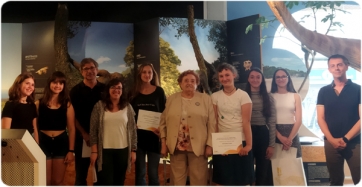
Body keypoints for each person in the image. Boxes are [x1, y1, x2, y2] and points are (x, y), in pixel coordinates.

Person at [159, 70, 215, 186]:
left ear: (197, 83)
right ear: (180, 83)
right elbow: (163, 123)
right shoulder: (171, 99)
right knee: (177, 181)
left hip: (199, 148)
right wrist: (164, 144)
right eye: (186, 80)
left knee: (199, 180)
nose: (189, 83)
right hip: (176, 147)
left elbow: (212, 124)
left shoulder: (206, 99)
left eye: (192, 81)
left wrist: (210, 145)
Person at [316, 54, 360, 185]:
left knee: (359, 178)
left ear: (347, 66)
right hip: (331, 143)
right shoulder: (323, 91)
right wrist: (331, 140)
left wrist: (346, 138)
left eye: (340, 65)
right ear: (329, 69)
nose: (337, 68)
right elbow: (320, 118)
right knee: (335, 180)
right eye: (333, 66)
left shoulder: (358, 90)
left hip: (355, 142)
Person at [211, 63, 254, 185]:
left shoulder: (243, 95)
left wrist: (249, 145)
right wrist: (217, 145)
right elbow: (215, 122)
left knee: (242, 180)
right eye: (221, 76)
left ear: (234, 75)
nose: (224, 78)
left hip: (241, 142)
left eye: (227, 75)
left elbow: (246, 122)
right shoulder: (214, 97)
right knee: (222, 180)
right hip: (222, 143)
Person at [89, 78, 137, 185]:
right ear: (108, 90)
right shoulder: (99, 106)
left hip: (123, 151)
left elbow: (133, 130)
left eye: (119, 88)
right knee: (106, 182)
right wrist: (94, 151)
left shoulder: (127, 107)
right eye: (113, 87)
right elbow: (93, 130)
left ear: (122, 90)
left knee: (119, 182)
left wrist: (133, 150)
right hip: (104, 151)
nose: (116, 90)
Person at [128, 63, 166, 185]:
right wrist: (132, 124)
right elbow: (128, 113)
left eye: (149, 72)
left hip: (154, 137)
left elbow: (165, 112)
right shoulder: (133, 92)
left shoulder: (159, 91)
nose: (147, 74)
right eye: (144, 72)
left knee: (153, 174)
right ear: (140, 74)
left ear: (153, 74)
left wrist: (161, 128)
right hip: (137, 138)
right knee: (140, 173)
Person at [35, 71, 76, 185]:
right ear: (49, 84)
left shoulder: (67, 104)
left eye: (61, 83)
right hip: (43, 142)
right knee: (45, 180)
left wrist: (71, 151)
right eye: (55, 82)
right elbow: (33, 127)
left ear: (64, 86)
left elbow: (72, 129)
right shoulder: (39, 103)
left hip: (61, 143)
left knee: (58, 181)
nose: (58, 85)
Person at [69, 58, 105, 185]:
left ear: (97, 70)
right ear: (81, 72)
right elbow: (72, 117)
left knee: (101, 176)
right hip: (82, 139)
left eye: (92, 68)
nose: (90, 71)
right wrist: (84, 134)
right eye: (86, 69)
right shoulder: (75, 91)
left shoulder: (105, 90)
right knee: (80, 176)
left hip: (102, 139)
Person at [245, 67, 276, 185]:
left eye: (258, 77)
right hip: (246, 134)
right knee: (247, 168)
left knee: (262, 170)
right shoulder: (241, 95)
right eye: (252, 77)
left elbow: (272, 122)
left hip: (262, 134)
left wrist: (271, 145)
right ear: (248, 79)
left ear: (262, 79)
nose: (255, 79)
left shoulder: (269, 97)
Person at [270, 68, 302, 157]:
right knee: (276, 167)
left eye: (283, 76)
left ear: (288, 78)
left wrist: (289, 139)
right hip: (274, 132)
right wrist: (280, 137)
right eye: (278, 77)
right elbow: (268, 120)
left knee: (294, 166)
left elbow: (299, 121)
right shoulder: (270, 96)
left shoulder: (296, 96)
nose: (281, 79)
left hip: (292, 132)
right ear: (274, 80)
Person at [2, 72, 39, 143]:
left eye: (32, 85)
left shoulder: (32, 106)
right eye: (27, 83)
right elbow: (5, 131)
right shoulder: (10, 105)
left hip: (30, 142)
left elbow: (35, 129)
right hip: (14, 143)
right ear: (19, 84)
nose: (30, 87)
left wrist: (37, 146)